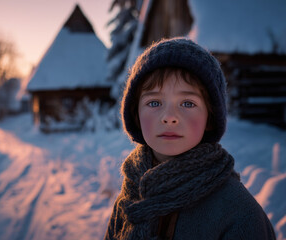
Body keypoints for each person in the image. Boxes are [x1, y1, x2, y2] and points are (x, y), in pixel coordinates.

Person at [103, 38, 276, 240]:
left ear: (209, 118)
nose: (169, 117)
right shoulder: (131, 195)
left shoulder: (238, 212)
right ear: (135, 114)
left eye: (187, 103)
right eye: (154, 102)